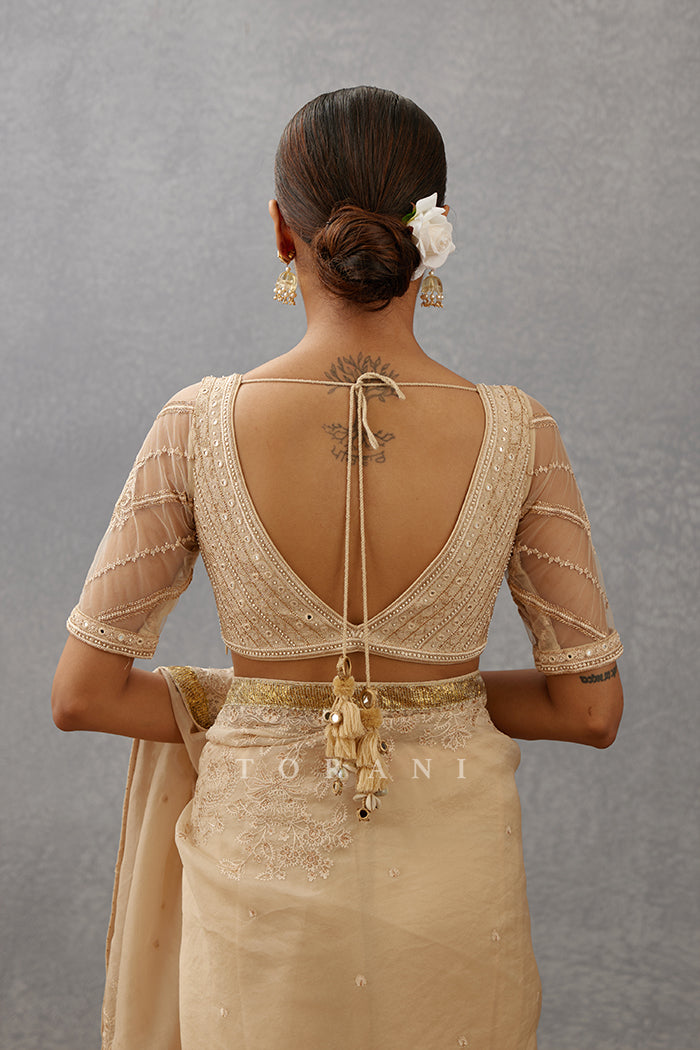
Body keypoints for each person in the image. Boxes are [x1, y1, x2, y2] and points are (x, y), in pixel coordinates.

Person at [52, 86, 623, 1050]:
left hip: (260, 910)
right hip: (454, 903)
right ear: (434, 233)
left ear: (283, 230)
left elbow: (82, 695)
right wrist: (429, 697)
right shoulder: (520, 433)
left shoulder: (195, 425)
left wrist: (271, 699)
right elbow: (591, 712)